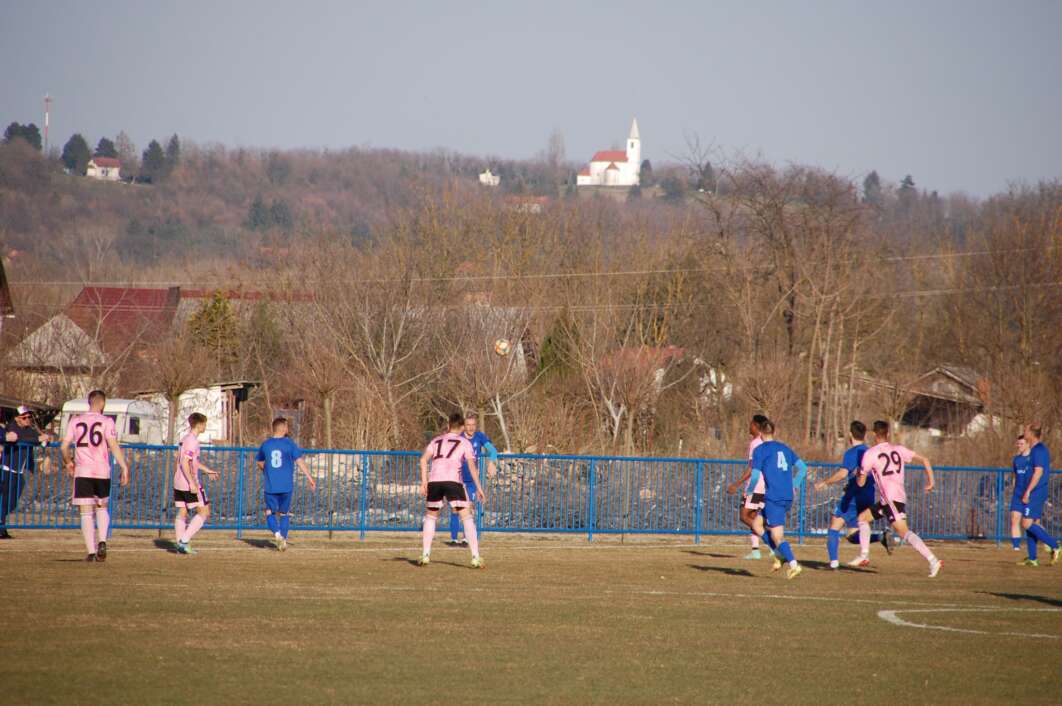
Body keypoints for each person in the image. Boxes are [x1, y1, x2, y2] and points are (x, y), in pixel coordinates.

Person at [855, 420, 942, 578]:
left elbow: (861, 483)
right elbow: (925, 460)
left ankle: (933, 560)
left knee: (903, 532)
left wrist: (859, 477)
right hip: (893, 498)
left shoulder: (870, 453)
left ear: (874, 435)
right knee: (862, 518)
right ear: (888, 434)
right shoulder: (898, 449)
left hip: (890, 499)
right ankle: (864, 554)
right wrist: (931, 482)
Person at [59, 390, 130, 562]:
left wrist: (69, 462)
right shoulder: (107, 421)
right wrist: (124, 467)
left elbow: (63, 446)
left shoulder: (75, 421)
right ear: (102, 403)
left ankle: (91, 552)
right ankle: (103, 541)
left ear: (89, 403)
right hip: (102, 470)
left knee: (85, 512)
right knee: (101, 507)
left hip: (83, 471)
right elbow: (113, 445)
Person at [814, 420, 891, 568]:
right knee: (852, 535)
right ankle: (881, 537)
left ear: (850, 435)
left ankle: (834, 562)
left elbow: (843, 473)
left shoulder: (851, 453)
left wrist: (825, 482)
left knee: (834, 526)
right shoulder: (870, 451)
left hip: (853, 497)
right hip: (868, 495)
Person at [418, 412, 486, 568]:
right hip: (453, 481)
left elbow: (423, 460)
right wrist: (479, 488)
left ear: (448, 426)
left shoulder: (436, 440)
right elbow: (472, 467)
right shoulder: (464, 442)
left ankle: (425, 554)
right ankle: (475, 557)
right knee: (467, 517)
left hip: (434, 481)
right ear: (462, 427)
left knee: (431, 517)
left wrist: (424, 482)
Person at [746, 419, 808, 580]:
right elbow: (803, 468)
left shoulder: (760, 450)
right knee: (757, 524)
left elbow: (754, 475)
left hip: (775, 497)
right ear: (774, 432)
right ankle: (779, 554)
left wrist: (750, 491)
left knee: (777, 536)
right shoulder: (784, 448)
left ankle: (794, 564)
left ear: (760, 433)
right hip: (785, 496)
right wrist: (794, 485)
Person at [255, 417, 316, 552]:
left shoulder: (266, 445)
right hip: (286, 486)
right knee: (284, 513)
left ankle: (277, 535)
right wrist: (310, 478)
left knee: (270, 512)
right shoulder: (289, 444)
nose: (288, 430)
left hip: (271, 485)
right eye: (287, 427)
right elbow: (299, 461)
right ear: (283, 429)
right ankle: (283, 538)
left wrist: (268, 471)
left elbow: (259, 462)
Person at [0, 405, 52, 538]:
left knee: (12, 502)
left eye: (29, 417)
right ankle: (1, 527)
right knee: (5, 501)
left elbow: (37, 439)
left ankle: (2, 526)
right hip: (7, 470)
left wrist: (45, 439)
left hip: (19, 471)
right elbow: (18, 438)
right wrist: (38, 439)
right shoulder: (12, 427)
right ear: (17, 418)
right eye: (24, 417)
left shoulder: (29, 430)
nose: (27, 419)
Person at [173, 413, 221, 555]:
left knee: (182, 511)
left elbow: (191, 461)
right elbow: (184, 462)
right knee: (204, 512)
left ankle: (179, 543)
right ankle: (184, 541)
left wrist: (207, 470)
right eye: (205, 424)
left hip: (178, 481)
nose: (205, 426)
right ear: (199, 425)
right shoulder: (193, 441)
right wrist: (192, 483)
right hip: (189, 482)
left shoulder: (184, 439)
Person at [447, 413, 498, 546]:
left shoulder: (480, 436)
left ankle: (465, 538)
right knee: (455, 509)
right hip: (456, 478)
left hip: (471, 481)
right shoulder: (458, 436)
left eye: (473, 425)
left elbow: (492, 450)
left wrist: (491, 462)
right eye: (468, 425)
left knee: (468, 508)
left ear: (476, 426)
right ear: (464, 426)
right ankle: (453, 539)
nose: (470, 428)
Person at [725, 414, 770, 560]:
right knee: (752, 516)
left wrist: (736, 484)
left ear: (756, 426)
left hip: (756, 485)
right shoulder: (763, 441)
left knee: (744, 516)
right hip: (764, 485)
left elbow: (752, 468)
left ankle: (771, 542)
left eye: (750, 424)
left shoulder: (755, 443)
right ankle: (756, 550)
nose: (748, 427)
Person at [1017, 423, 1060, 566]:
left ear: (1031, 434)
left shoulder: (1039, 450)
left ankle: (1055, 546)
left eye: (1025, 431)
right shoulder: (1034, 449)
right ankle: (1033, 558)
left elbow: (1039, 472)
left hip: (1036, 491)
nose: (1024, 433)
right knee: (1031, 523)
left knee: (1026, 523)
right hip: (1035, 490)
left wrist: (1028, 491)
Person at [1007, 435, 1032, 551]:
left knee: (1031, 523)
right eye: (1018, 444)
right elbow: (1015, 475)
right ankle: (1016, 547)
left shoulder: (1033, 459)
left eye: (1021, 444)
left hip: (1031, 494)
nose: (1019, 446)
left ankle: (1048, 542)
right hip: (1018, 493)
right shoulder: (1017, 459)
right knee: (1014, 518)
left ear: (1028, 444)